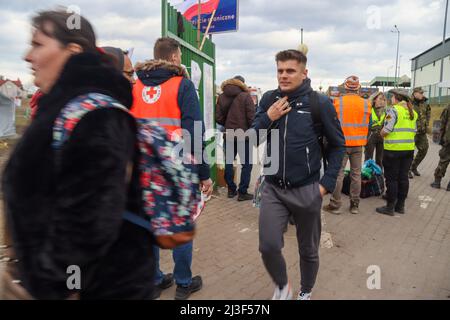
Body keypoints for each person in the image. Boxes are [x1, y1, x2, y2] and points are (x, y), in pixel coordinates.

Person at [1, 10, 154, 299]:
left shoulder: (97, 113)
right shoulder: (59, 107)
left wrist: (51, 285)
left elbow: (90, 223)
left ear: (71, 51)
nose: (27, 56)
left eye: (38, 45)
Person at [252, 49, 345, 300]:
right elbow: (250, 139)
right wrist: (268, 117)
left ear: (304, 73)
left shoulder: (319, 103)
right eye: (280, 70)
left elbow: (338, 146)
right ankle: (283, 286)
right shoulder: (269, 99)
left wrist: (325, 186)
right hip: (273, 188)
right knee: (268, 245)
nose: (283, 75)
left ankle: (305, 291)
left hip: (307, 189)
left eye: (290, 70)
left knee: (308, 250)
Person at [130, 37, 213, 300]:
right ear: (175, 58)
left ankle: (154, 279)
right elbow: (194, 133)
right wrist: (203, 173)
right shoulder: (183, 85)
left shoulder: (135, 86)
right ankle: (183, 283)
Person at [323, 76, 371, 215]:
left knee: (338, 174)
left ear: (345, 86)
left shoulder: (337, 103)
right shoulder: (366, 104)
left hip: (341, 144)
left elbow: (331, 123)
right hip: (358, 144)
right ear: (358, 88)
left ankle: (335, 204)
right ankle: (354, 205)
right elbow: (370, 124)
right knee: (356, 174)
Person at [376, 89, 418, 216]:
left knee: (392, 179)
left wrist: (381, 134)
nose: (391, 99)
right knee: (403, 178)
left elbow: (387, 129)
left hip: (393, 150)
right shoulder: (413, 113)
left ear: (396, 99)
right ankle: (400, 206)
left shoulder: (393, 110)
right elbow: (415, 130)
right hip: (408, 150)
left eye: (392, 97)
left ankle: (389, 207)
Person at [216, 75, 255, 201]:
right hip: (243, 135)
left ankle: (231, 190)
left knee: (228, 162)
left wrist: (227, 124)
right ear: (242, 84)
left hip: (229, 135)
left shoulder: (222, 96)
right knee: (247, 164)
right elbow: (252, 118)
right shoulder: (245, 96)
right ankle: (242, 192)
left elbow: (218, 117)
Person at [409, 87, 431, 178]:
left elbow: (428, 114)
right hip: (412, 132)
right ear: (414, 93)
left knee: (424, 149)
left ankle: (414, 166)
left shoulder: (425, 103)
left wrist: (426, 125)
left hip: (422, 132)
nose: (422, 94)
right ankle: (407, 170)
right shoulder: (409, 103)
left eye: (422, 93)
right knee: (409, 152)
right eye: (420, 93)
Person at [431, 103, 450, 191]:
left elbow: (443, 123)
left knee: (443, 160)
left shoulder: (448, 107)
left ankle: (437, 182)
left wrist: (441, 138)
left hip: (448, 139)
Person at [365, 91, 386, 168]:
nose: (382, 101)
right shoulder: (368, 109)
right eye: (380, 99)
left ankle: (379, 176)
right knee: (368, 158)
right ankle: (366, 176)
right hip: (371, 135)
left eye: (384, 100)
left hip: (382, 136)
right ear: (374, 100)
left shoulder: (386, 111)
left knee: (380, 159)